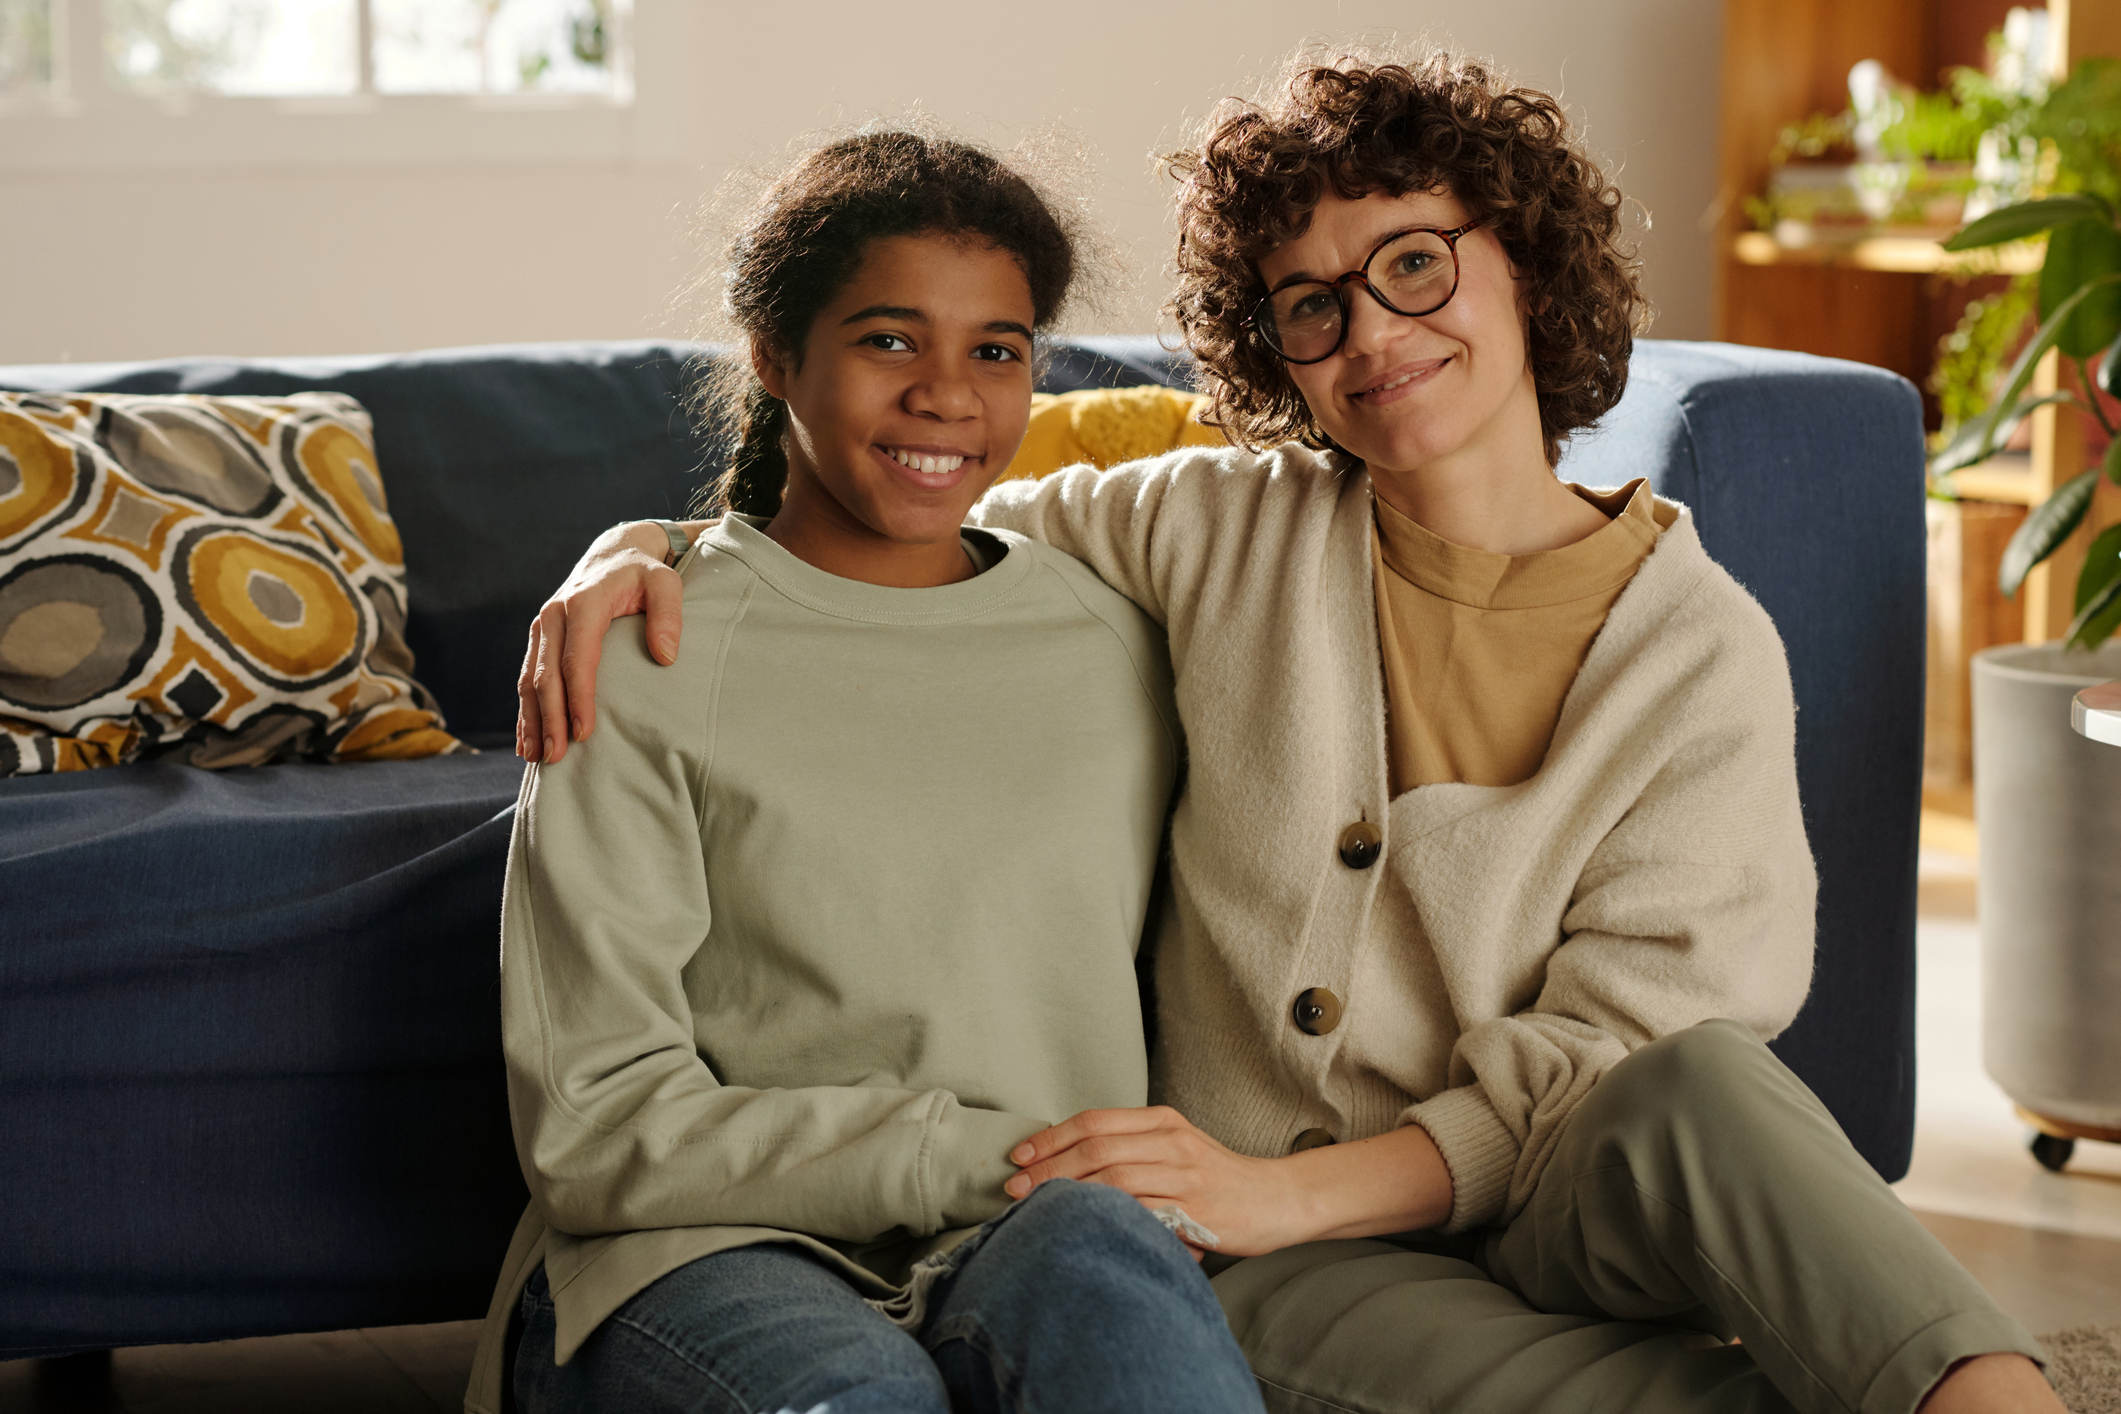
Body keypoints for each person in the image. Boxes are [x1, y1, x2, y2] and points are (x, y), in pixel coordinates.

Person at [515, 53, 2060, 1414]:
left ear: (1520, 259)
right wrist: (637, 548)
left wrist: (1278, 1190)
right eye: (1310, 304)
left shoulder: (1699, 648)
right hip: (1279, 1261)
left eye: (1412, 264)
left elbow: (1628, 1059)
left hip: (1546, 1187)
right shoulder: (1209, 526)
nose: (1369, 332)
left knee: (1703, 1079)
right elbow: (897, 510)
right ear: (1276, 355)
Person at [466, 129, 1269, 1414]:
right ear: (775, 356)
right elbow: (595, 1126)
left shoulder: (1118, 641)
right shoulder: (640, 647)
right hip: (700, 1249)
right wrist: (970, 1148)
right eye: (891, 339)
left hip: (1042, 1225)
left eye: (996, 350)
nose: (948, 394)